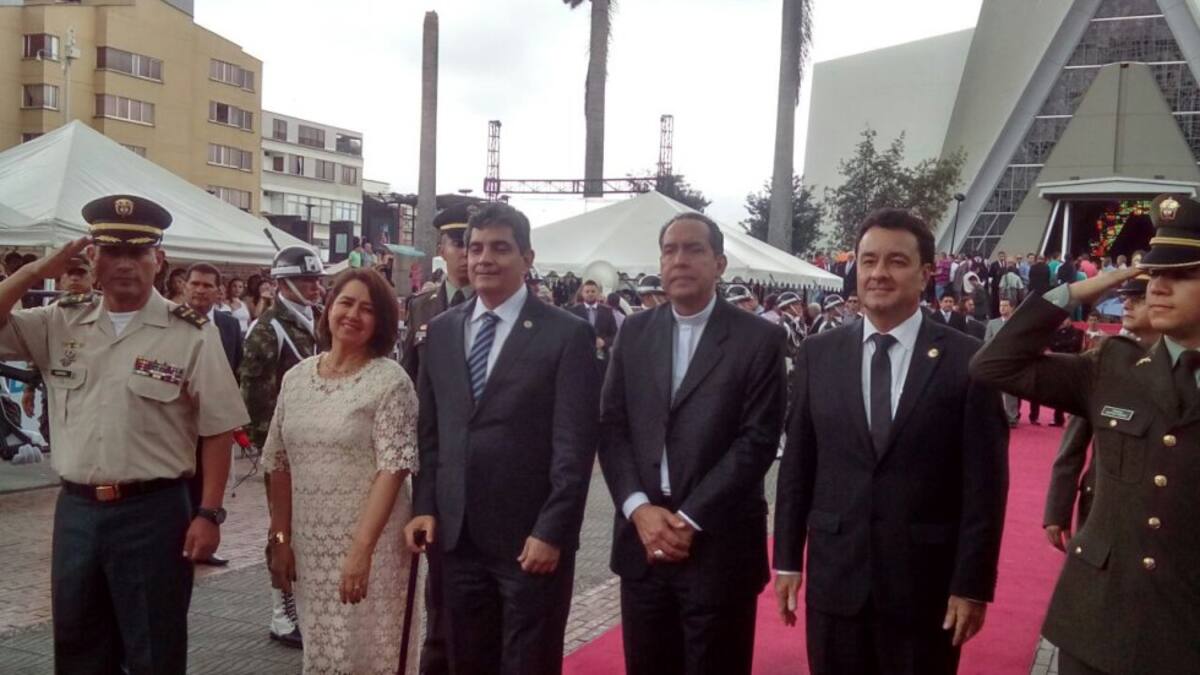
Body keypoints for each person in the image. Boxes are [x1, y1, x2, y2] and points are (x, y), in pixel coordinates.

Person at [0, 195, 248, 674]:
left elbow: (218, 429)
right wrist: (36, 271)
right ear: (92, 257)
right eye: (112, 251)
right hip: (77, 512)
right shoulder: (59, 321)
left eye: (138, 253)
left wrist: (209, 512)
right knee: (78, 650)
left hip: (154, 513)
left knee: (154, 651)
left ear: (158, 259)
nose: (125, 264)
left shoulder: (191, 333)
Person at [970, 192, 1200, 675]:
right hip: (1096, 623)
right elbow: (995, 364)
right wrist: (1077, 292)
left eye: (1180, 275)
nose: (1157, 288)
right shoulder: (1114, 366)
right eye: (1153, 273)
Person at [775, 208, 1009, 675]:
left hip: (925, 586)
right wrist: (786, 560)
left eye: (896, 262)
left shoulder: (967, 360)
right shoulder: (819, 354)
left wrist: (972, 585)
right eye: (868, 261)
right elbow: (798, 464)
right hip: (836, 580)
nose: (879, 273)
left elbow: (985, 487)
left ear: (925, 275)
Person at [403, 203, 600, 675]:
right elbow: (430, 433)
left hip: (530, 543)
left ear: (527, 258)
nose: (484, 259)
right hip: (457, 538)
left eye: (499, 248)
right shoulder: (444, 331)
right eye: (475, 248)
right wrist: (426, 505)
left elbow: (574, 447)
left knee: (527, 663)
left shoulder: (566, 335)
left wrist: (551, 531)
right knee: (466, 661)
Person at [598, 212, 785, 675]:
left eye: (693, 249)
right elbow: (612, 426)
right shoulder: (636, 333)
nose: (679, 260)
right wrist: (639, 509)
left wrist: (687, 519)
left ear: (719, 263)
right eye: (669, 250)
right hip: (643, 544)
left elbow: (757, 441)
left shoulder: (759, 339)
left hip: (718, 546)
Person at [264, 268, 420, 675]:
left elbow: (395, 468)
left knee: (365, 655)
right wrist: (280, 538)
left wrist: (360, 551)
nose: (353, 315)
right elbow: (278, 462)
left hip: (374, 544)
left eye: (367, 309)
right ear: (328, 307)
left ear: (381, 322)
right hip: (310, 545)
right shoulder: (296, 379)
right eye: (345, 303)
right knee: (323, 654)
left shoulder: (390, 382)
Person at [399, 204, 474, 675]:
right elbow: (409, 378)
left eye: (473, 242)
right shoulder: (422, 305)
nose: (467, 254)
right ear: (442, 250)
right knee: (438, 592)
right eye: (458, 243)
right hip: (438, 456)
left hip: (481, 460)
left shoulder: (493, 299)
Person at [240, 245, 327, 649]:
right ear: (282, 283)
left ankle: (308, 606)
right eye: (306, 279)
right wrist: (269, 451)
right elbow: (255, 396)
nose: (313, 286)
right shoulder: (267, 328)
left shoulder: (321, 321)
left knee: (314, 526)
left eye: (315, 279)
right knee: (283, 527)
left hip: (323, 443)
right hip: (286, 447)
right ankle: (282, 609)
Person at [1042, 273, 1161, 554]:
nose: (1127, 306)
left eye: (1138, 299)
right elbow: (1073, 444)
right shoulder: (1107, 360)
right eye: (1125, 298)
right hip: (1102, 510)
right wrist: (1058, 509)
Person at [184, 262, 243, 567]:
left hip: (215, 422)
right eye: (195, 283)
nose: (200, 290)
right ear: (185, 286)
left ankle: (202, 541)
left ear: (218, 291)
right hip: (179, 422)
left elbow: (238, 367)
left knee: (208, 481)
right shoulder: (172, 323)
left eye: (208, 285)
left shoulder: (229, 325)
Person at [984, 298, 1020, 427]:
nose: (1003, 308)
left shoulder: (1017, 323)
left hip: (1011, 359)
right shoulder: (992, 323)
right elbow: (987, 341)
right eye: (1001, 306)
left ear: (1012, 308)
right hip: (995, 359)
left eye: (1005, 306)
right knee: (994, 390)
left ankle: (1012, 417)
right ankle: (995, 415)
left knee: (1011, 390)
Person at [568, 279, 619, 363]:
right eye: (587, 291)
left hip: (602, 358)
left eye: (593, 291)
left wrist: (604, 342)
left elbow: (615, 334)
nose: (590, 294)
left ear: (598, 293)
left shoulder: (607, 311)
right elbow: (569, 334)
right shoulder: (574, 311)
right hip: (580, 357)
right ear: (582, 293)